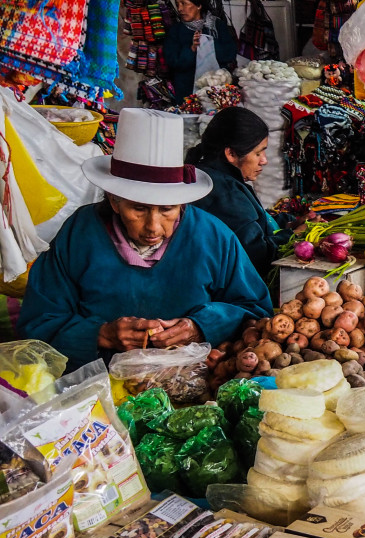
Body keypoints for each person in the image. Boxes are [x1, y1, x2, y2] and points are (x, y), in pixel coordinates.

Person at [17, 108, 272, 371]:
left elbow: (256, 310)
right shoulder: (79, 234)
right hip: (94, 390)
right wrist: (102, 334)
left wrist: (201, 326)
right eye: (138, 209)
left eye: (167, 210)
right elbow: (37, 323)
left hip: (192, 388)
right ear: (114, 200)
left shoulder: (212, 236)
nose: (153, 227)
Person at [187, 107, 293, 279]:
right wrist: (294, 236)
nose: (264, 160)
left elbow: (252, 224)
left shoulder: (212, 175)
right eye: (258, 153)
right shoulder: (223, 193)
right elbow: (259, 256)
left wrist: (288, 223)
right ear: (230, 153)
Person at [163, 0, 237, 103]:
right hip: (187, 92)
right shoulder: (176, 31)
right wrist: (192, 48)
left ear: (199, 5)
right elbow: (173, 61)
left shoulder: (217, 26)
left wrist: (208, 43)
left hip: (217, 91)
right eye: (177, 4)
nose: (179, 9)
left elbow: (230, 54)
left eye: (184, 3)